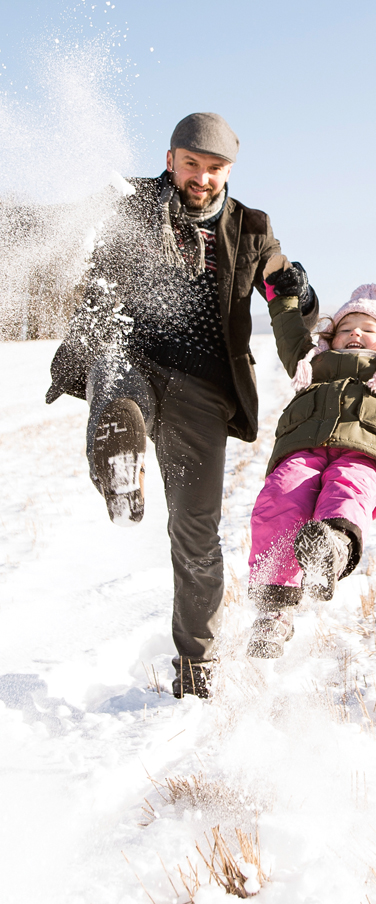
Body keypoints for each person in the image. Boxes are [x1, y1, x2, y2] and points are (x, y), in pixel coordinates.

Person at [45, 112, 318, 698]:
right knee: (116, 378)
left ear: (229, 171)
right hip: (133, 351)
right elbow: (78, 235)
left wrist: (300, 296)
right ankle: (118, 462)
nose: (202, 177)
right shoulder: (135, 202)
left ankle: (198, 667)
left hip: (204, 387)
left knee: (196, 531)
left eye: (214, 168)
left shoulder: (252, 228)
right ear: (171, 160)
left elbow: (281, 292)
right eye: (191, 163)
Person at [245, 254, 376, 657]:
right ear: (332, 334)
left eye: (368, 328)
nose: (356, 334)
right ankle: (273, 612)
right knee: (279, 496)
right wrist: (280, 293)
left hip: (364, 451)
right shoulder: (312, 361)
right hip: (303, 448)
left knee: (347, 489)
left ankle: (332, 548)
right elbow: (288, 331)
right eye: (347, 328)